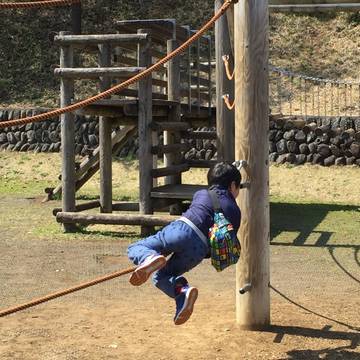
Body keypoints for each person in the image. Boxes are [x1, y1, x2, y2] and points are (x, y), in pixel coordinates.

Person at [127, 162, 241, 325]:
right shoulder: (235, 211)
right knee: (162, 276)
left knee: (136, 247)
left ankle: (148, 256)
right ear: (233, 185)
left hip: (183, 229)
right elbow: (226, 242)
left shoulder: (201, 194)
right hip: (199, 250)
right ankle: (183, 292)